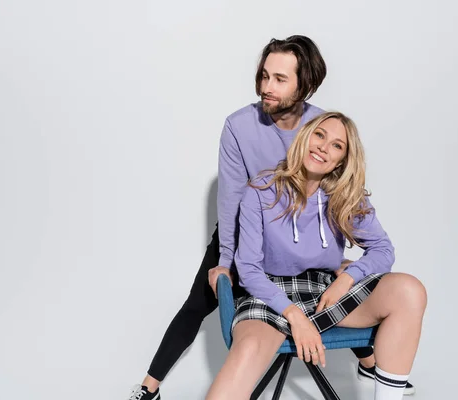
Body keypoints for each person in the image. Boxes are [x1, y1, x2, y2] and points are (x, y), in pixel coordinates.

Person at [129, 36, 413, 400]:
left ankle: (374, 365)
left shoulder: (322, 127)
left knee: (345, 283)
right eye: (264, 76)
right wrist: (227, 262)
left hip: (307, 238)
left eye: (280, 79)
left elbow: (344, 193)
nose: (267, 87)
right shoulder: (239, 126)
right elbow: (231, 199)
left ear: (304, 84)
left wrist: (332, 260)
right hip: (247, 228)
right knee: (199, 301)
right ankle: (149, 387)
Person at [205, 111, 427, 400]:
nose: (324, 147)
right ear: (305, 137)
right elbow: (247, 269)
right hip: (268, 294)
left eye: (337, 145)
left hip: (324, 292)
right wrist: (294, 315)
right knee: (244, 355)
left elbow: (383, 249)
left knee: (409, 290)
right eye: (320, 135)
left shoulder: (346, 195)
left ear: (342, 161)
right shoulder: (261, 190)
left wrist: (347, 278)